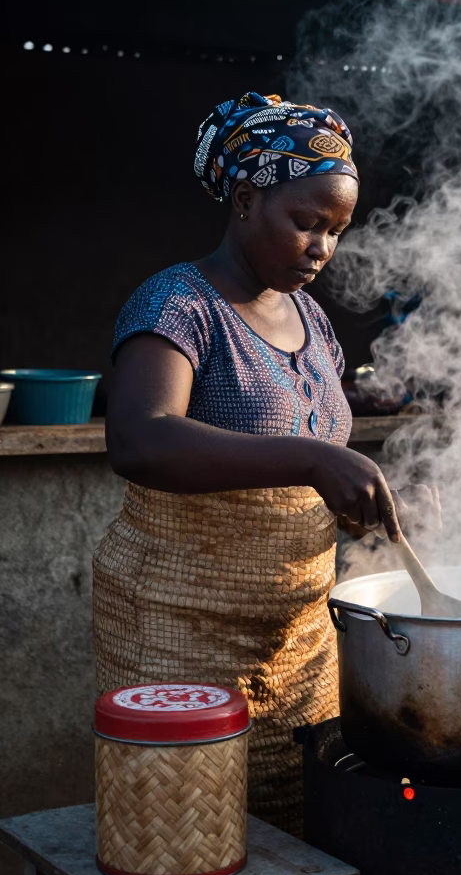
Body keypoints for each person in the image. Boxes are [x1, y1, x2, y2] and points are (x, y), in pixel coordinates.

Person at [93, 92, 401, 836]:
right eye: (306, 222)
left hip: (297, 646)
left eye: (336, 231)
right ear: (244, 198)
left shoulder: (314, 322)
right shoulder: (178, 304)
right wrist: (311, 458)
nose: (322, 247)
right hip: (176, 633)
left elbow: (315, 460)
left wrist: (373, 498)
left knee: (296, 843)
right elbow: (138, 438)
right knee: (182, 843)